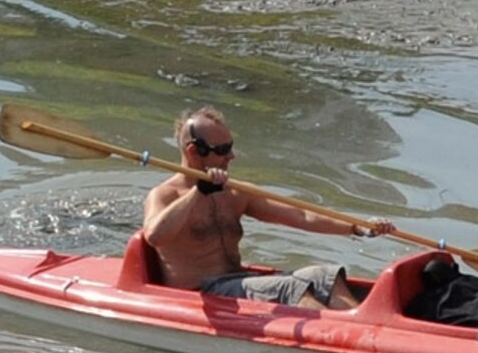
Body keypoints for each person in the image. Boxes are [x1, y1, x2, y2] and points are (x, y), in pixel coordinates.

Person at [140, 105, 386, 309]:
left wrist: (357, 227)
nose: (231, 156)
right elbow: (155, 236)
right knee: (291, 288)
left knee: (324, 276)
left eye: (230, 147)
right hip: (200, 292)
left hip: (238, 282)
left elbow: (302, 215)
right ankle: (334, 337)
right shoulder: (164, 195)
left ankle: (362, 329)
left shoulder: (234, 192)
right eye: (223, 150)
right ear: (194, 151)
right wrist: (198, 192)